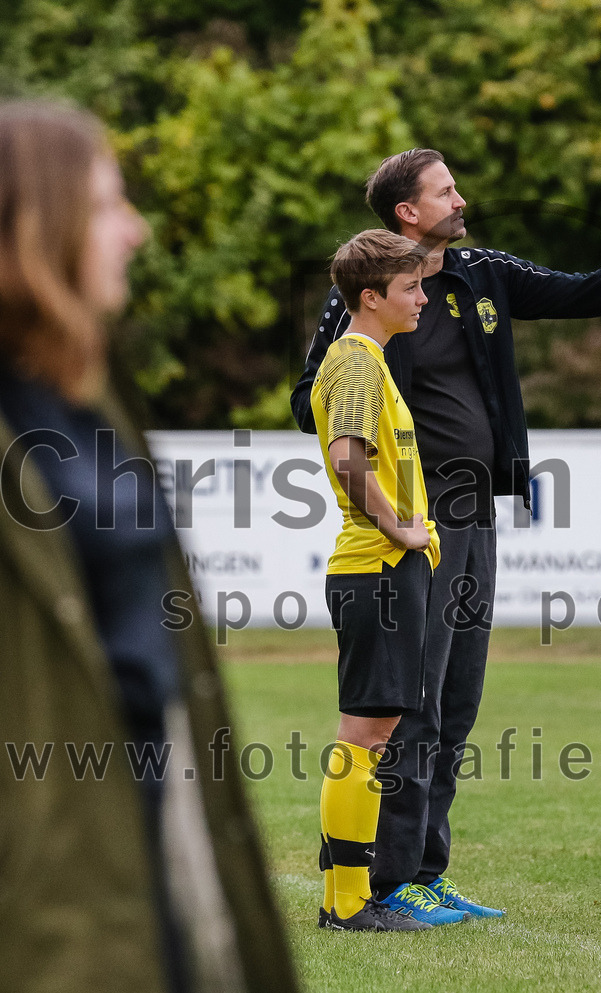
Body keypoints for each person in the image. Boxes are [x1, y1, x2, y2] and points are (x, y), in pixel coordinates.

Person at [291, 148, 601, 918]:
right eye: (445, 191)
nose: (460, 198)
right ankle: (385, 879)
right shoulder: (367, 297)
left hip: (474, 515)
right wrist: (387, 472)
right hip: (413, 518)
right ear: (406, 211)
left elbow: (580, 292)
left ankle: (425, 869)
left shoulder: (481, 273)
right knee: (412, 704)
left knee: (458, 697)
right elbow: (311, 394)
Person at [0, 100, 298, 993]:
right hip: (47, 887)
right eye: (105, 205)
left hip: (160, 829)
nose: (135, 231)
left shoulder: (89, 399)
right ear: (31, 228)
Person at [310, 228, 467, 931]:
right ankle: (347, 903)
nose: (423, 298)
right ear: (370, 297)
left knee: (371, 734)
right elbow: (348, 456)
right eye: (410, 288)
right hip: (375, 567)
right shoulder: (357, 360)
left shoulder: (369, 357)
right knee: (365, 736)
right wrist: (401, 528)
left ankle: (350, 896)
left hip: (383, 569)